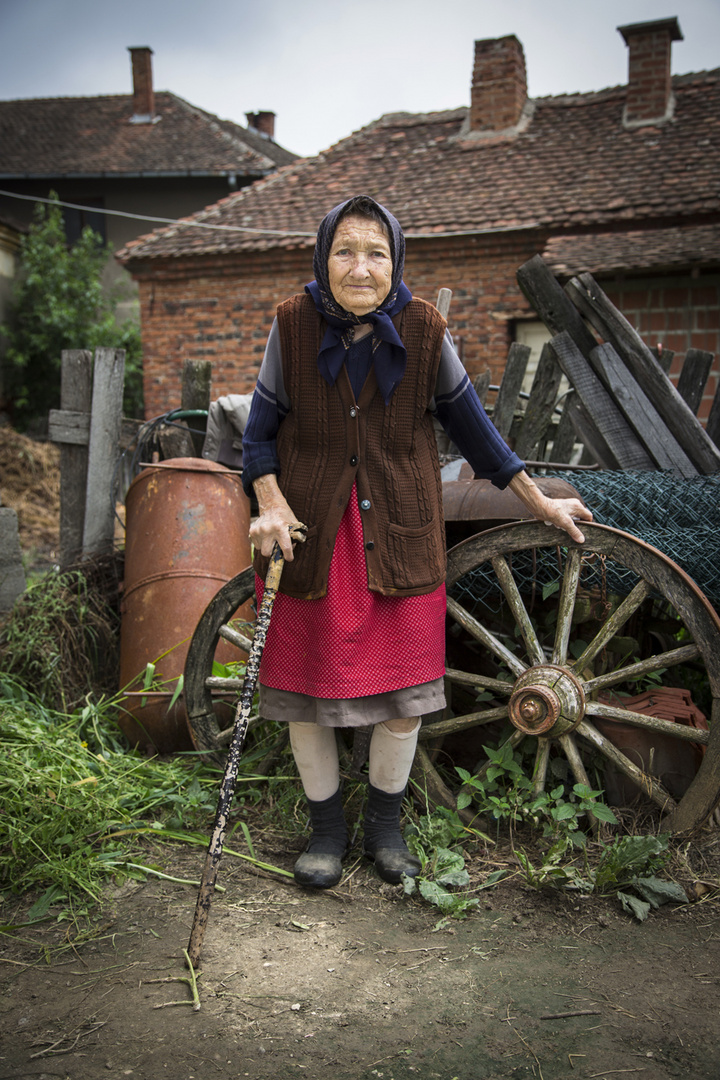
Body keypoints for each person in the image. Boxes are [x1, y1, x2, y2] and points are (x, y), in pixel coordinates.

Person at [241, 195, 592, 889]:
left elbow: (477, 436)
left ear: (395, 259)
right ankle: (325, 833)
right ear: (323, 257)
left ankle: (385, 828)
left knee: (404, 698)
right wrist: (270, 504)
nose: (361, 268)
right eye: (345, 251)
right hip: (308, 538)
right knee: (307, 699)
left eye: (376, 253)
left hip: (398, 536)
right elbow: (256, 437)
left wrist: (539, 501)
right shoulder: (290, 324)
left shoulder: (425, 330)